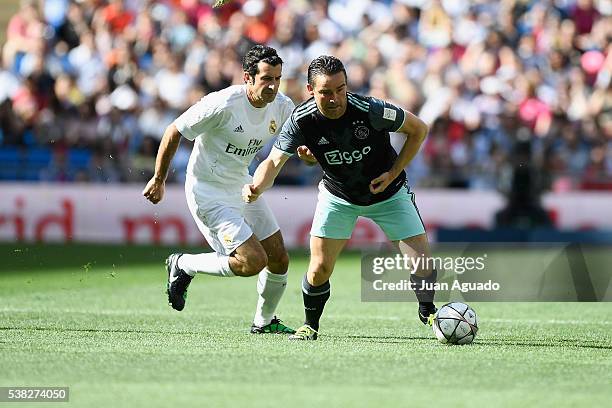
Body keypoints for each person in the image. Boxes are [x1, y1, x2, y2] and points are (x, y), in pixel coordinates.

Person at [243, 55, 437, 340]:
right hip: (339, 196)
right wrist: (255, 187)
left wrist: (394, 172)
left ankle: (428, 309)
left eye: (340, 89)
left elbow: (418, 129)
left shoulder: (371, 109)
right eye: (325, 92)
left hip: (388, 194)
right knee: (319, 266)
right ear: (311, 91)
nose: (335, 98)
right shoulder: (302, 120)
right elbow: (273, 162)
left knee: (421, 264)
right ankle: (310, 325)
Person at [142, 45, 295, 334]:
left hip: (242, 184)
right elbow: (174, 130)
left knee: (279, 258)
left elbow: (301, 141)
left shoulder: (282, 105)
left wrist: (307, 153)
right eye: (266, 79)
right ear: (248, 77)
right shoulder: (223, 104)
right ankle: (184, 264)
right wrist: (159, 178)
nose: (273, 85)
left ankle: (263, 322)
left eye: (277, 78)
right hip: (208, 191)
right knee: (252, 262)